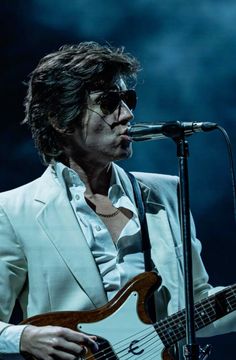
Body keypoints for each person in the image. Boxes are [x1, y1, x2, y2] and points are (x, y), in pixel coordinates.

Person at [0, 41, 235, 360]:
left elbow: (196, 306)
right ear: (60, 119)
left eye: (129, 99)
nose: (127, 114)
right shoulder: (13, 210)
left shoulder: (167, 193)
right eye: (109, 102)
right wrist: (23, 337)